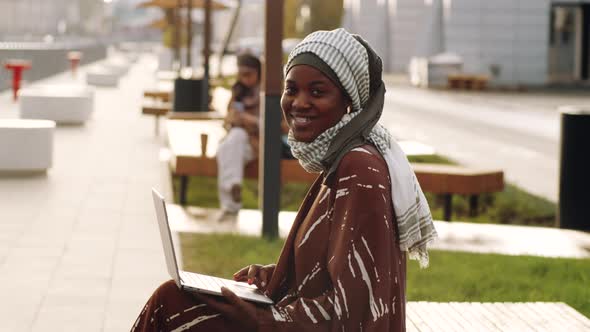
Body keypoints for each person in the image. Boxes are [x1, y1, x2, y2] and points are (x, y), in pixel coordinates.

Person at [131, 28, 437, 332]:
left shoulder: (360, 168)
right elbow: (332, 272)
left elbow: (358, 306)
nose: (299, 103)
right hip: (293, 317)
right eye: (292, 89)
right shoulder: (341, 159)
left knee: (170, 306)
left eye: (317, 92)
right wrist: (277, 276)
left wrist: (267, 319)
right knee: (172, 297)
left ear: (349, 101)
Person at [216, 53, 262, 218]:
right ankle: (233, 186)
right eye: (241, 74)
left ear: (258, 73)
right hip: (239, 143)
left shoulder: (265, 94)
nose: (244, 79)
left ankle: (230, 204)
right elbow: (226, 120)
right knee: (227, 146)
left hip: (257, 144)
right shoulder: (238, 91)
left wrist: (249, 120)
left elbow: (276, 125)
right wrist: (232, 118)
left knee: (227, 147)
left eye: (248, 74)